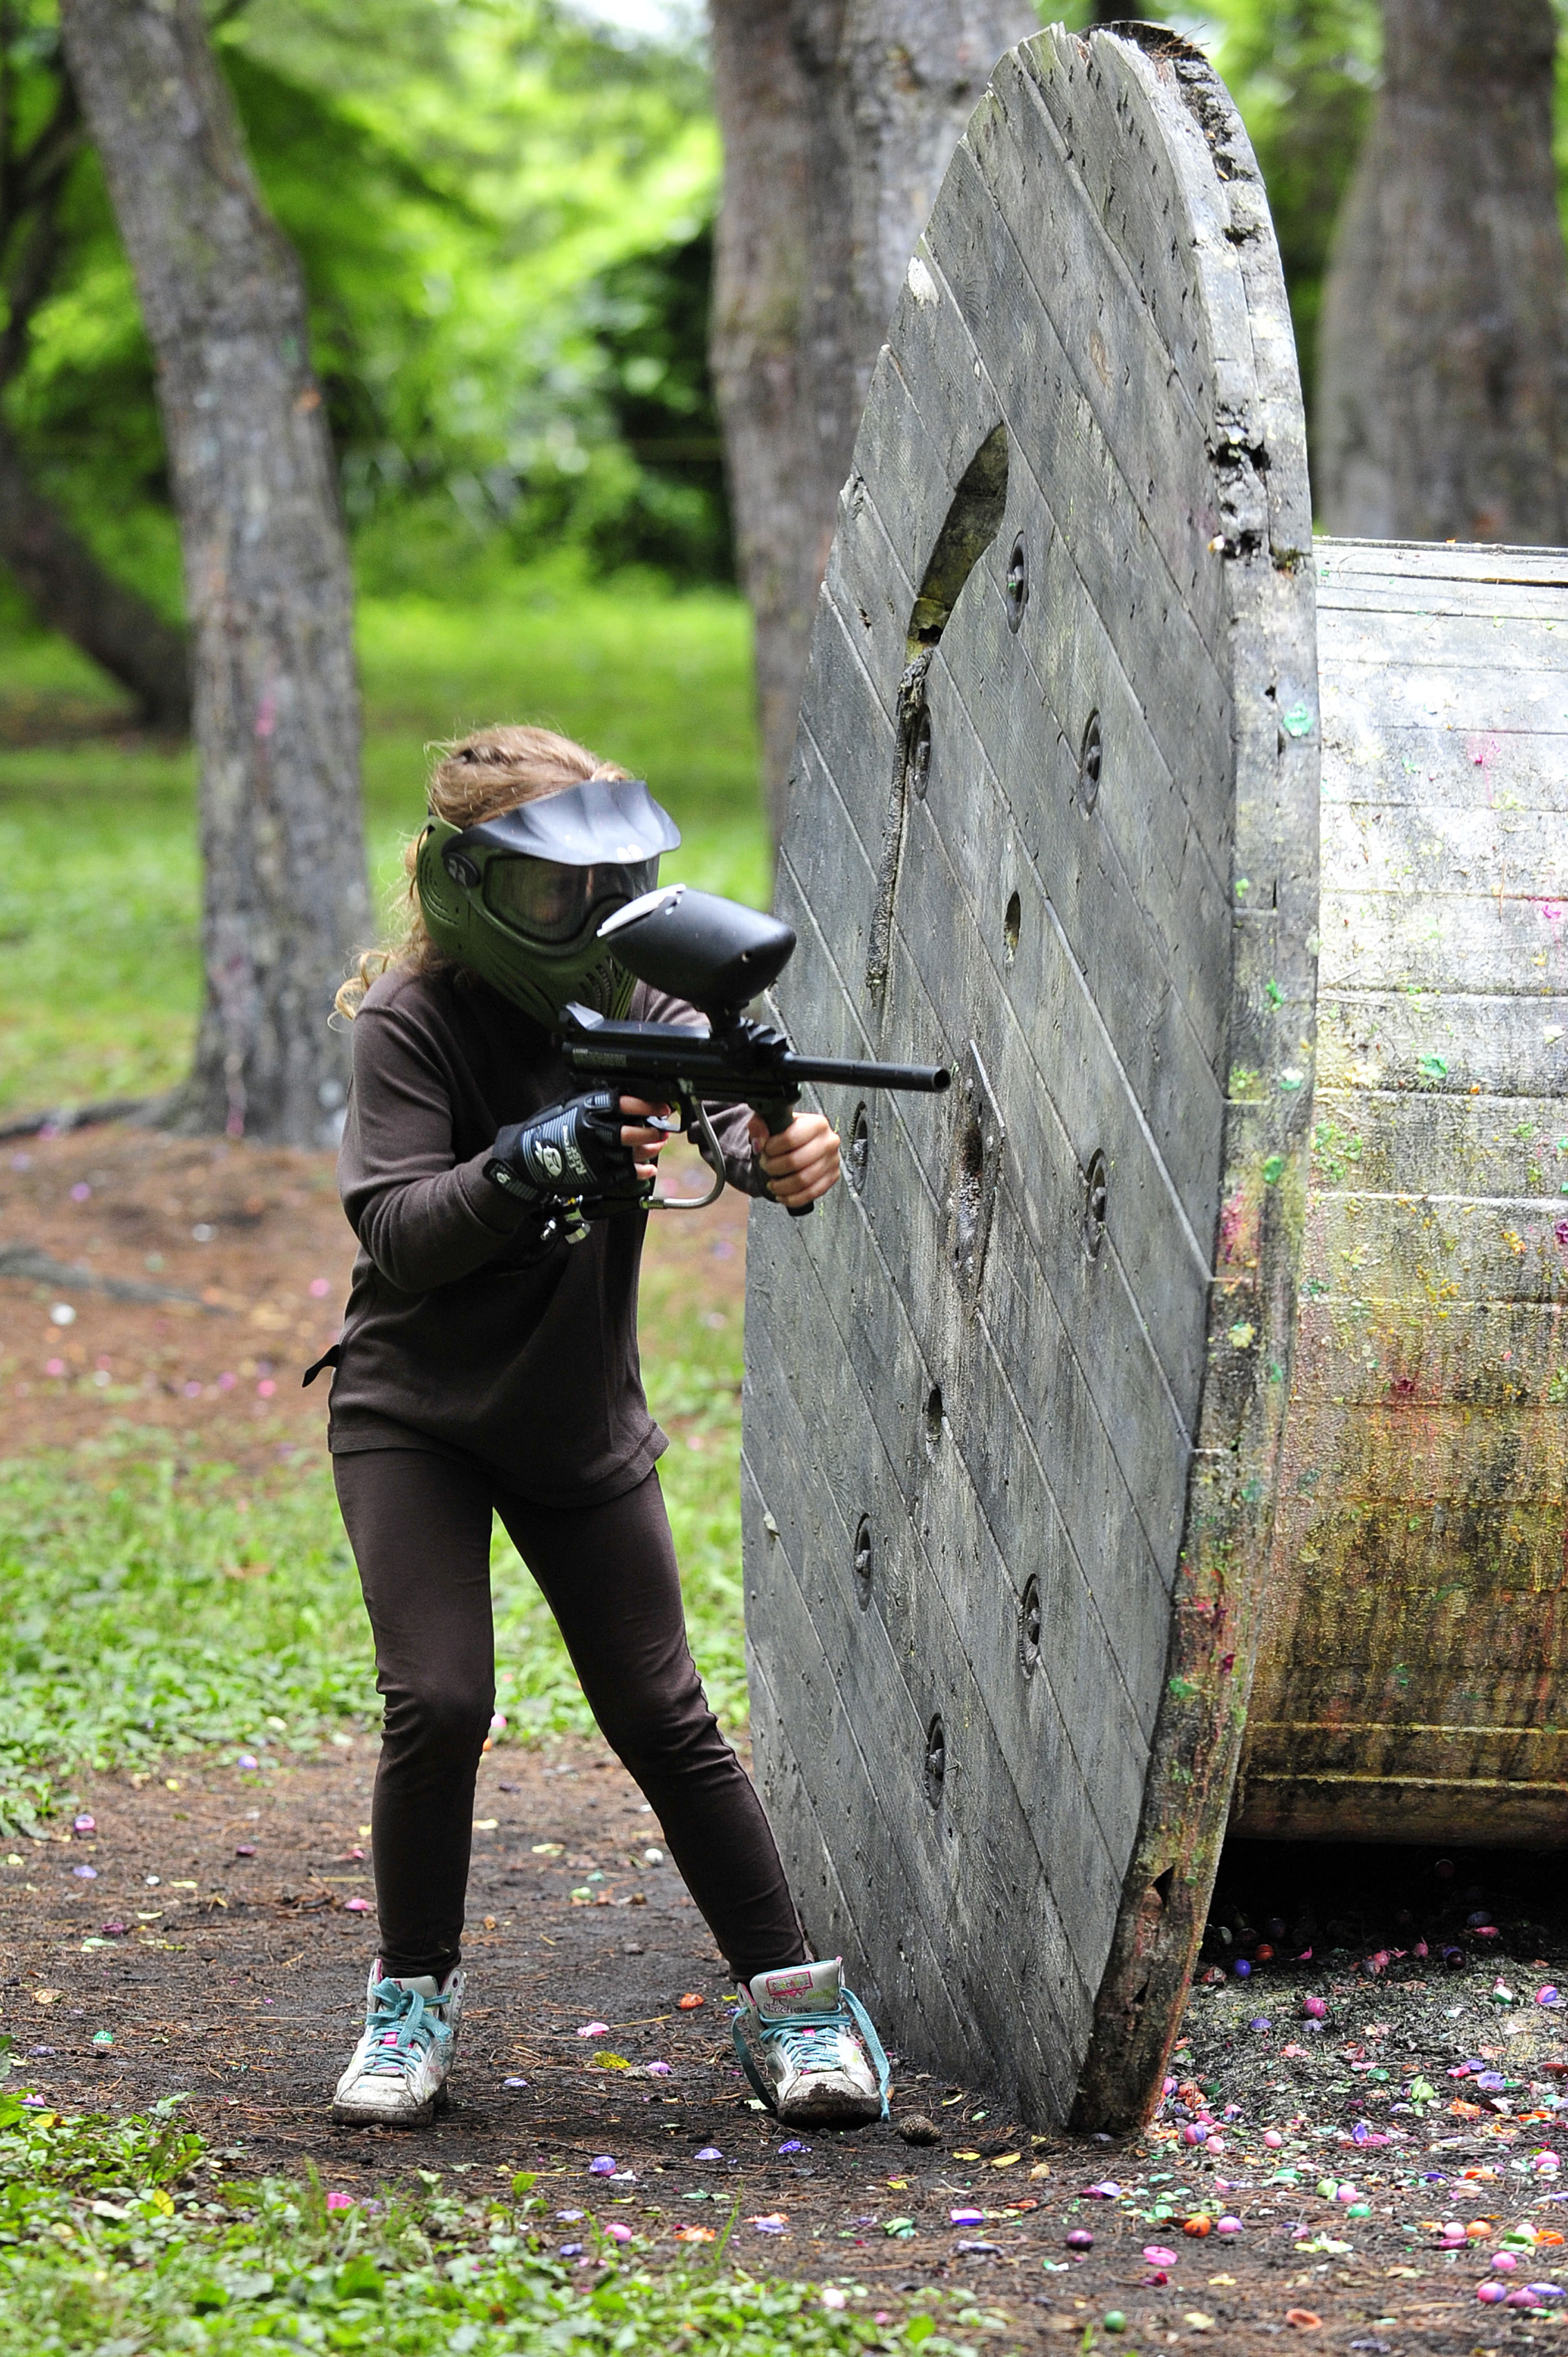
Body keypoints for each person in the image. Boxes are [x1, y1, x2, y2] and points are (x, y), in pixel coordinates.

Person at [317, 724, 891, 2132]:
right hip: (419, 1417)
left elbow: (735, 1112)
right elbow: (397, 1229)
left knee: (660, 1710)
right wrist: (537, 1155)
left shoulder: (643, 993)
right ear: (470, 885)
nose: (581, 922)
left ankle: (798, 2008)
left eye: (606, 886)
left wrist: (782, 1148)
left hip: (575, 1416)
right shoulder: (415, 1020)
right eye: (547, 893)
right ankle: (410, 2006)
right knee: (440, 1700)